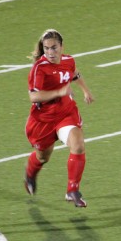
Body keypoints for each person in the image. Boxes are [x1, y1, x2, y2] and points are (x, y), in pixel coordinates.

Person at [24, 29, 94, 208]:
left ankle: (72, 190)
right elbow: (34, 97)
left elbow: (74, 72)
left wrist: (85, 90)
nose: (50, 52)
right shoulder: (39, 68)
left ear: (62, 47)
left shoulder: (68, 60)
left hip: (65, 114)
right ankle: (31, 172)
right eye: (46, 48)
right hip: (44, 121)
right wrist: (59, 92)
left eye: (54, 48)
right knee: (43, 157)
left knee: (78, 145)